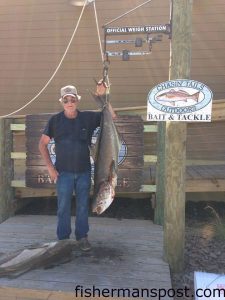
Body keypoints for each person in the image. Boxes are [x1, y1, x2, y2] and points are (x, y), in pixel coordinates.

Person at [39, 80, 116, 251]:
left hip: (83, 172)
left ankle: (82, 237)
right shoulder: (55, 121)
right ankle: (63, 240)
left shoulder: (88, 118)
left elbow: (111, 116)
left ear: (77, 100)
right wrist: (50, 168)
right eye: (66, 100)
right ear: (61, 102)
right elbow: (42, 144)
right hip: (63, 173)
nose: (69, 103)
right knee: (63, 208)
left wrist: (103, 96)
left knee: (82, 207)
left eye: (72, 99)